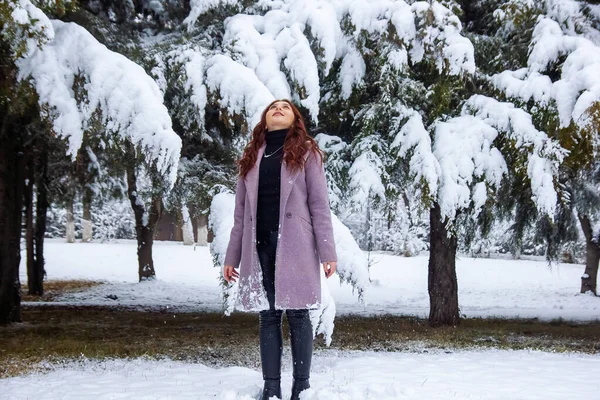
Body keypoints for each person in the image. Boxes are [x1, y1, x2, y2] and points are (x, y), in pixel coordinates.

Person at [223, 99, 337, 400]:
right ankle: (271, 388)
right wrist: (232, 256)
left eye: (285, 107)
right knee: (268, 315)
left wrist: (328, 252)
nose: (278, 109)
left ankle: (302, 387)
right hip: (258, 245)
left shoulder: (307, 153)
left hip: (296, 244)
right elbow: (240, 214)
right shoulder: (251, 157)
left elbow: (319, 205)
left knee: (298, 315)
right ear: (265, 119)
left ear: (294, 119)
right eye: (273, 107)